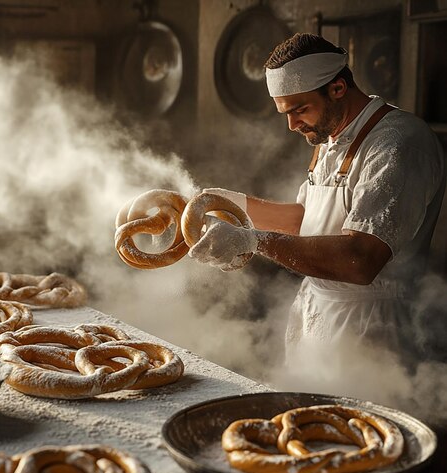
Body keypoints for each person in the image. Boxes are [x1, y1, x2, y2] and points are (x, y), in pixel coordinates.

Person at [189, 33, 445, 366]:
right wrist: (224, 202)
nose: (292, 125)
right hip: (318, 314)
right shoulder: (330, 136)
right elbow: (305, 221)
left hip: (376, 333)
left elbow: (360, 260)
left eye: (299, 110)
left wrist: (252, 241)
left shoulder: (398, 145)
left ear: (338, 88)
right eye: (285, 113)